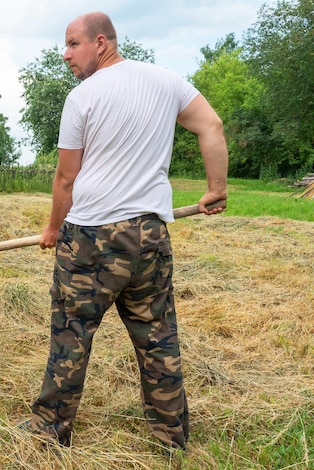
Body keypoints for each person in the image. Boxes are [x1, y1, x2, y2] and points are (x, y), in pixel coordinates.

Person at [21, 11, 228, 450]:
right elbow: (212, 125)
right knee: (158, 337)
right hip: (150, 234)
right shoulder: (167, 82)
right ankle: (171, 438)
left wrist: (54, 228)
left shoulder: (83, 97)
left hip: (90, 238)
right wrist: (216, 188)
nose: (66, 55)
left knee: (71, 335)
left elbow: (65, 178)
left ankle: (48, 432)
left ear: (101, 43)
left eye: (73, 44)